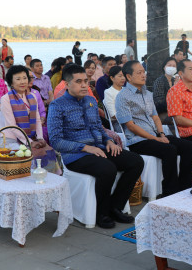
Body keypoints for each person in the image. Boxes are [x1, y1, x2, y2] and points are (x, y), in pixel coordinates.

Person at [48, 64, 143, 228]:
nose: (84, 85)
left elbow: (98, 127)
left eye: (86, 81)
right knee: (108, 168)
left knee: (136, 161)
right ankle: (102, 213)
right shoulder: (57, 106)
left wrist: (108, 141)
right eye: (78, 82)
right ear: (66, 84)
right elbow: (56, 141)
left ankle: (115, 206)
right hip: (76, 155)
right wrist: (85, 148)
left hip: (99, 147)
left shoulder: (91, 101)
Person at [116, 61, 192, 195]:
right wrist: (155, 139)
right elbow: (130, 125)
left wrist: (161, 134)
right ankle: (170, 192)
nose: (143, 75)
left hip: (155, 135)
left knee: (188, 146)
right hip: (138, 140)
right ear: (129, 77)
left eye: (144, 72)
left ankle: (185, 187)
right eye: (139, 73)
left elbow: (155, 117)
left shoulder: (147, 93)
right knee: (169, 149)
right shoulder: (122, 97)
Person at [1, 65, 61, 174]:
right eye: (18, 79)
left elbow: (38, 120)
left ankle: (48, 181)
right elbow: (12, 126)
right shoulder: (5, 99)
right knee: (28, 155)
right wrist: (30, 142)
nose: (22, 81)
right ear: (11, 82)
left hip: (31, 137)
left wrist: (40, 138)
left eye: (24, 78)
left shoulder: (32, 97)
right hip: (12, 139)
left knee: (48, 151)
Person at [153, 57, 179, 124]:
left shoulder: (176, 81)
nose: (171, 67)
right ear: (164, 67)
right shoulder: (159, 81)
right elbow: (159, 103)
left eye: (174, 66)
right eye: (169, 65)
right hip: (164, 113)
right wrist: (174, 89)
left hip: (177, 111)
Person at [104, 66, 125, 131]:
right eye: (120, 76)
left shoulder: (126, 90)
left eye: (124, 76)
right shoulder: (108, 92)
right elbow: (113, 115)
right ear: (112, 78)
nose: (123, 78)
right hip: (119, 123)